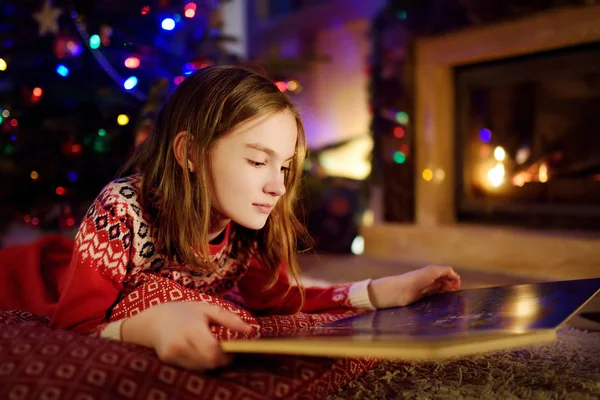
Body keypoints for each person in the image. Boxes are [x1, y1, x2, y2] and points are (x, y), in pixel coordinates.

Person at [49, 65, 461, 371]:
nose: (278, 188)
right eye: (256, 160)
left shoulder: (246, 228)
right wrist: (147, 327)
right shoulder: (121, 210)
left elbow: (280, 301)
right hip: (43, 272)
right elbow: (72, 326)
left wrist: (381, 290)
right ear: (189, 153)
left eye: (283, 168)